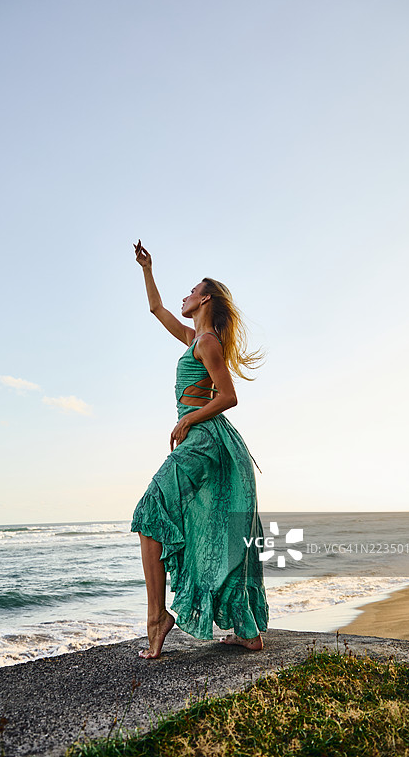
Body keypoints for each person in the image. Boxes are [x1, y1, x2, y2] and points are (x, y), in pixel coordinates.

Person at [130, 240, 269, 659]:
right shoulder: (195, 338)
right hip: (205, 441)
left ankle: (157, 619)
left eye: (192, 290)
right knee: (204, 528)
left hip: (205, 439)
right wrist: (147, 270)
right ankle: (247, 631)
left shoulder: (207, 342)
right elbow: (157, 310)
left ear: (205, 298)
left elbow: (228, 396)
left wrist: (188, 418)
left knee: (150, 511)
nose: (185, 296)